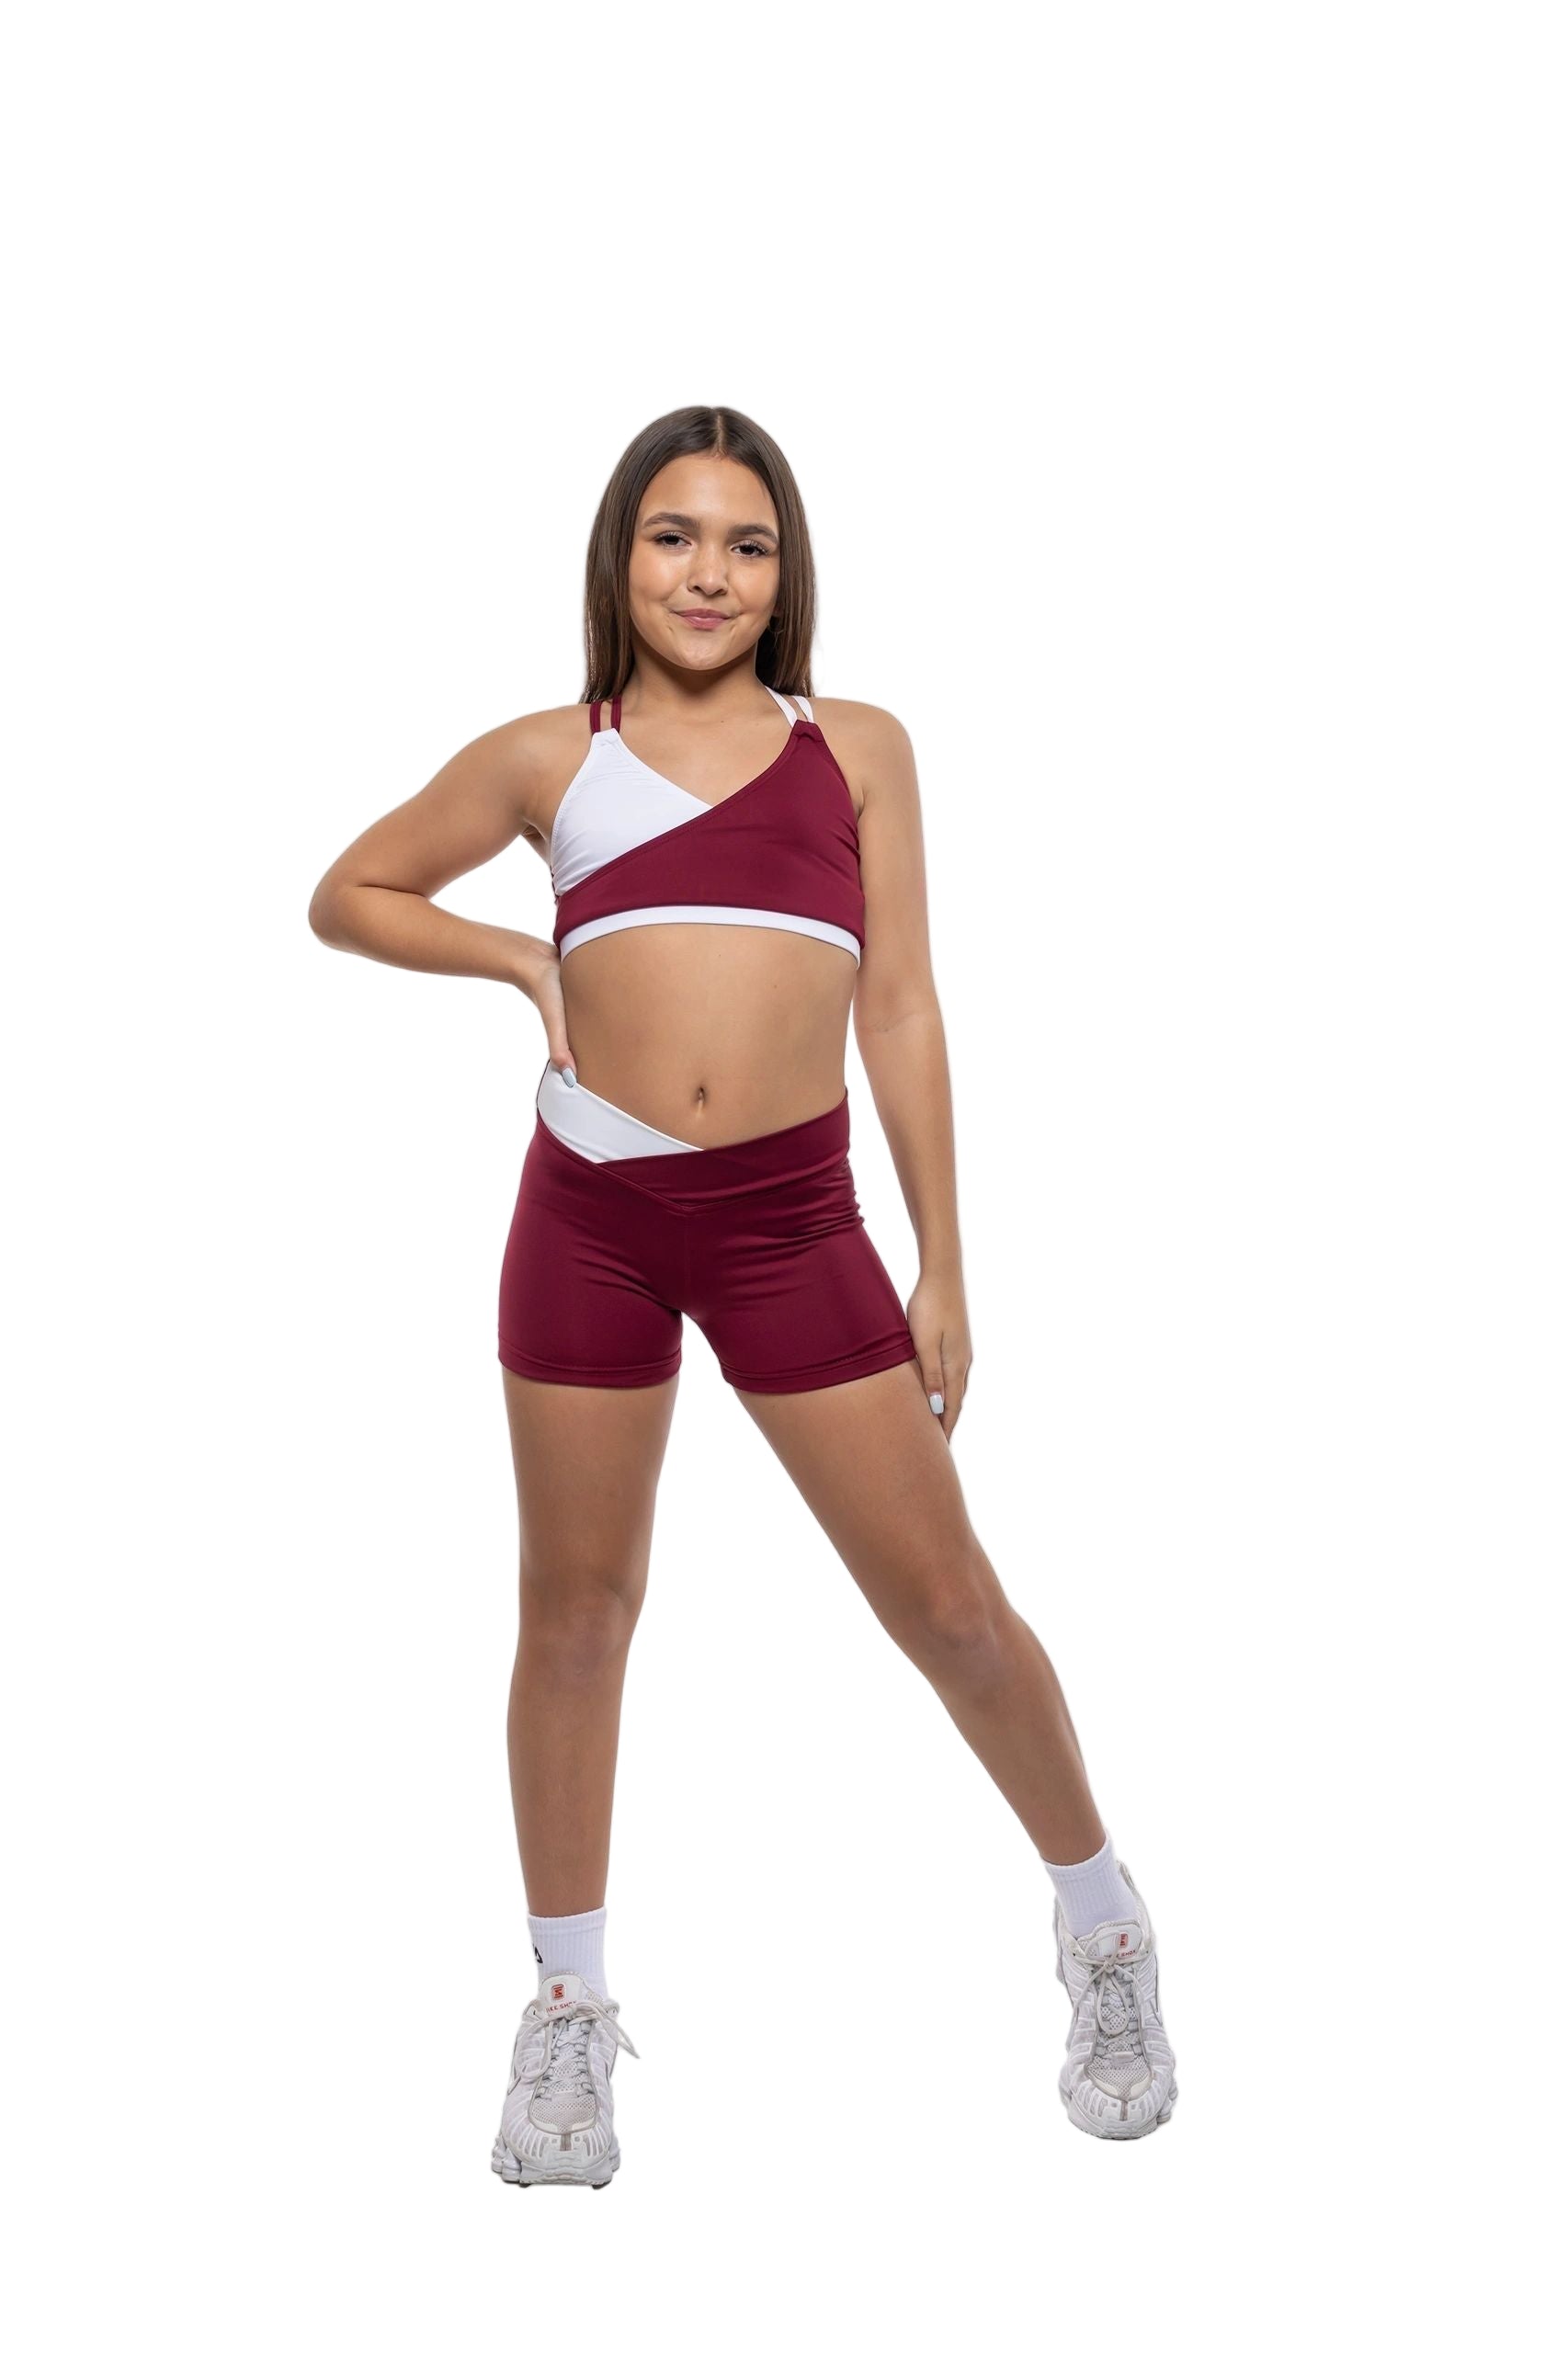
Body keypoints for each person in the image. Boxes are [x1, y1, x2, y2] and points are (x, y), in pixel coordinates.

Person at [307, 404, 1177, 2187]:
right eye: (674, 535)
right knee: (575, 1611)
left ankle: (1102, 1925)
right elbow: (350, 891)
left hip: (791, 1224)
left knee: (946, 1603)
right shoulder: (546, 755)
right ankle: (565, 2005)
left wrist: (942, 1257)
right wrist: (518, 952)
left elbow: (901, 1004)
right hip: (591, 1216)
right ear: (618, 555)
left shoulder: (853, 747)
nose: (708, 573)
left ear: (786, 576)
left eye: (746, 543)